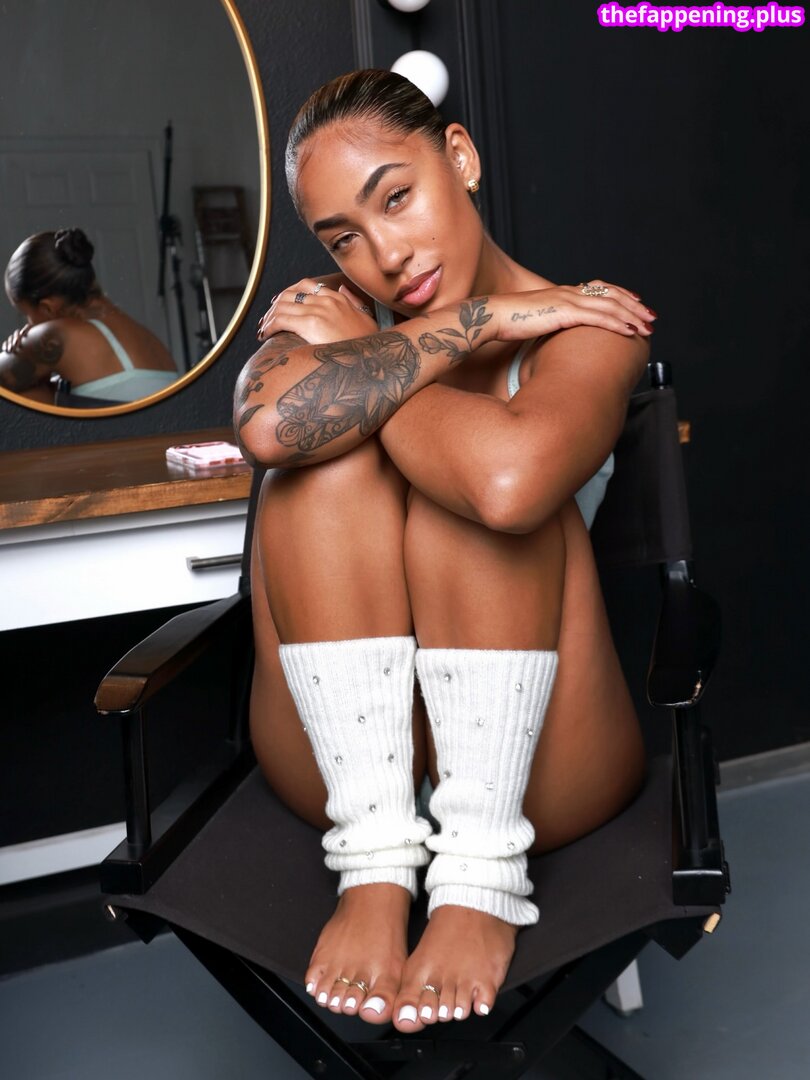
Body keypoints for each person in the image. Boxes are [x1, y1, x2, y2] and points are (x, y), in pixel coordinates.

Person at [233, 69, 655, 1035]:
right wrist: (477, 323)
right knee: (315, 468)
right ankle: (376, 866)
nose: (384, 254)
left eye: (396, 197)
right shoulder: (321, 311)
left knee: (473, 497)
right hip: (346, 767)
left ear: (459, 157)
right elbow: (271, 430)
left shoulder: (585, 317)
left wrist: (380, 361)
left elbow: (507, 485)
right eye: (343, 237)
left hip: (535, 762)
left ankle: (477, 881)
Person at [1, 228, 178, 404]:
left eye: (25, 314)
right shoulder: (148, 339)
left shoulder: (56, 335)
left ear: (47, 308)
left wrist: (21, 347)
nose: (28, 325)